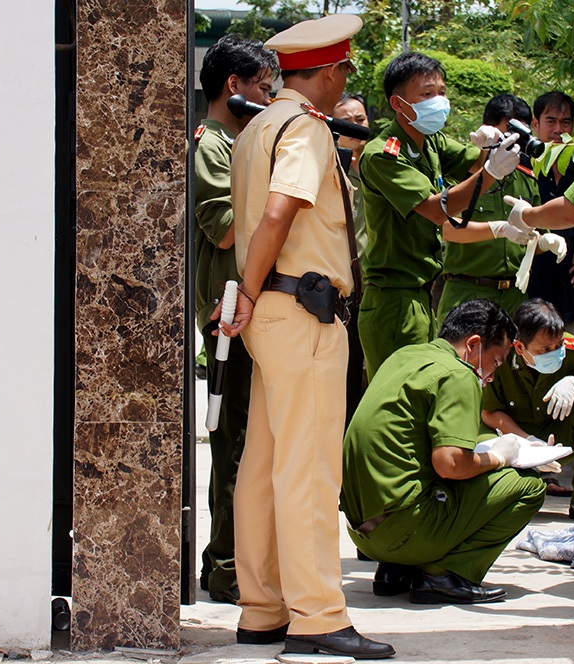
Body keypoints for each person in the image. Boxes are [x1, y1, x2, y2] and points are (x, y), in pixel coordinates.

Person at [219, 14, 393, 659]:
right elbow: (277, 212)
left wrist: (246, 293)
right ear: (327, 73)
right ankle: (318, 617)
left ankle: (263, 608)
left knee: (263, 465)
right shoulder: (306, 130)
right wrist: (253, 290)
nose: (344, 79)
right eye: (343, 70)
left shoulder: (256, 124)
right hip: (302, 311)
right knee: (309, 471)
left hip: (272, 311)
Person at [341, 299, 548, 604]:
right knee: (528, 486)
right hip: (403, 534)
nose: (492, 375)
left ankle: (397, 570)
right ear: (474, 345)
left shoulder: (406, 356)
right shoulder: (458, 373)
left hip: (364, 535)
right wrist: (501, 456)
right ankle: (443, 575)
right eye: (497, 361)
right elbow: (450, 464)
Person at [357, 52, 537, 380]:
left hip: (423, 295)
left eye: (441, 92)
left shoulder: (430, 141)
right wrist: (491, 174)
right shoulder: (383, 154)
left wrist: (492, 147)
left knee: (424, 391)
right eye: (426, 94)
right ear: (398, 104)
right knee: (400, 398)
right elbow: (433, 208)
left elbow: (473, 161)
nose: (438, 101)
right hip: (394, 299)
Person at [193, 33, 277, 605]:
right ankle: (225, 566)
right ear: (234, 86)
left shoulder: (244, 143)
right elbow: (225, 228)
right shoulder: (215, 146)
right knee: (235, 443)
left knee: (256, 442)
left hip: (253, 309)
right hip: (228, 313)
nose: (270, 100)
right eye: (263, 89)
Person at [436, 94, 565, 326]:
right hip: (469, 291)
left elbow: (529, 238)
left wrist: (543, 242)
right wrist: (497, 229)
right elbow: (445, 228)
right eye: (511, 133)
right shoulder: (462, 173)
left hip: (513, 297)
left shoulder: (526, 178)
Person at [481, 299, 574, 523]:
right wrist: (528, 441)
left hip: (559, 438)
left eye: (558, 345)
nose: (554, 352)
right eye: (544, 349)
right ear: (519, 347)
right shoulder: (500, 358)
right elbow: (489, 412)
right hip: (513, 439)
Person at [527, 92, 574, 336]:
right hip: (527, 276)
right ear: (535, 124)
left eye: (565, 122)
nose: (559, 129)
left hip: (565, 283)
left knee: (564, 351)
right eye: (551, 121)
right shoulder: (522, 163)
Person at [333, 92, 371, 426]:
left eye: (360, 119)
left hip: (375, 288)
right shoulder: (329, 170)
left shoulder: (379, 170)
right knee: (343, 378)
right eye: (346, 119)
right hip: (342, 292)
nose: (355, 126)